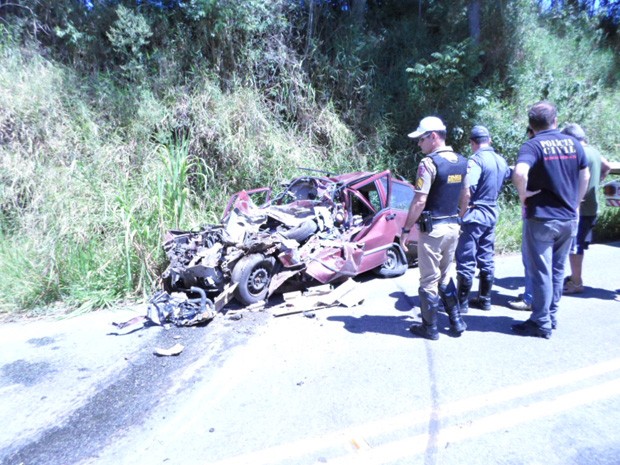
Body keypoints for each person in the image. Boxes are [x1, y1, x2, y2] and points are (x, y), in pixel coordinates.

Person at [511, 101, 590, 339]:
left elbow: (519, 172)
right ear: (555, 121)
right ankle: (550, 316)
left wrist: (523, 195)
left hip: (543, 219)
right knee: (557, 270)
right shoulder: (574, 143)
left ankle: (540, 322)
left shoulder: (532, 145)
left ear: (531, 125)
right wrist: (576, 203)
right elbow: (584, 174)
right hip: (568, 218)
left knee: (541, 272)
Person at [400, 116, 467, 340]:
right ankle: (456, 322)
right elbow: (466, 196)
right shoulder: (461, 161)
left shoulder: (428, 164)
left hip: (434, 231)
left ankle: (430, 329)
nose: (419, 144)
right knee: (446, 276)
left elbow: (419, 201)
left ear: (434, 137)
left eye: (421, 139)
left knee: (428, 280)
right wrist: (459, 218)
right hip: (453, 228)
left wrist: (407, 229)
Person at [455, 125, 510, 313]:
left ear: (472, 143)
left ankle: (461, 303)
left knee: (466, 258)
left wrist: (462, 213)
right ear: (490, 140)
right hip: (492, 213)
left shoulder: (476, 160)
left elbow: (467, 189)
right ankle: (485, 299)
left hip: (474, 214)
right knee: (487, 257)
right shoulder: (501, 161)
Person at [560, 123, 611, 294]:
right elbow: (607, 166)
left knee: (575, 246)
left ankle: (576, 282)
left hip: (579, 207)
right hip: (592, 206)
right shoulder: (594, 152)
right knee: (578, 244)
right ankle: (574, 278)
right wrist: (598, 182)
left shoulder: (577, 153)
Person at [507, 126, 535, 311]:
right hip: (562, 215)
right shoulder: (564, 149)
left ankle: (530, 298)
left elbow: (520, 173)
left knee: (531, 258)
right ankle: (540, 299)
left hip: (534, 214)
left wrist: (524, 195)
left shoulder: (534, 149)